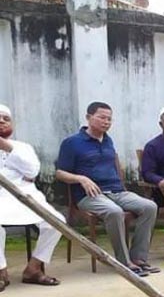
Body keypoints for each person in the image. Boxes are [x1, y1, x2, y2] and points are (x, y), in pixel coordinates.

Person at [56, 102, 158, 276]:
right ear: (88, 118)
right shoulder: (72, 142)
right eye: (102, 117)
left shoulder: (108, 140)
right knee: (114, 212)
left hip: (117, 191)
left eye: (109, 119)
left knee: (149, 206)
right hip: (89, 195)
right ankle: (124, 262)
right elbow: (59, 173)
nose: (106, 122)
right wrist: (80, 178)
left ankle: (139, 258)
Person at [0, 104, 64, 290]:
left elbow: (32, 171)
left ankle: (34, 268)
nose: (2, 121)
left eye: (6, 119)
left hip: (25, 196)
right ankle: (1, 271)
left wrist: (7, 148)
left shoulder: (22, 147)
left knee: (56, 222)